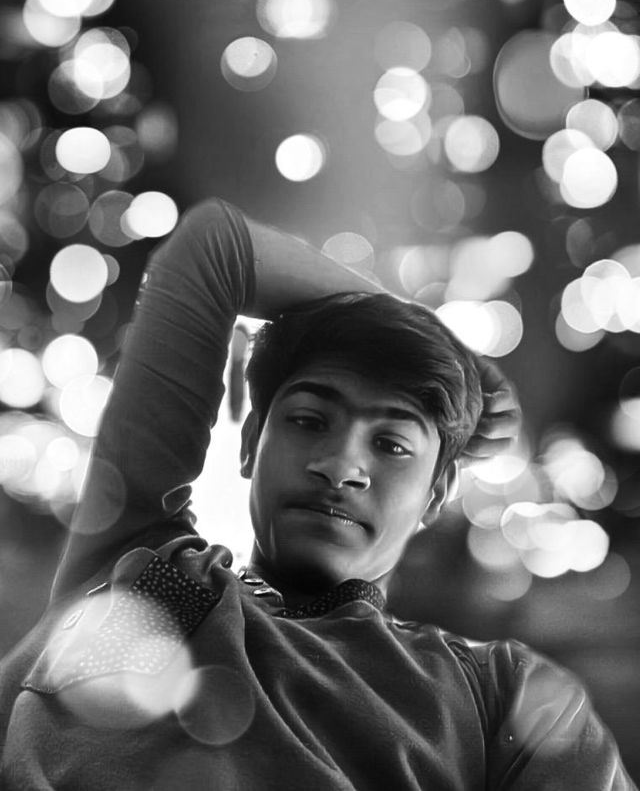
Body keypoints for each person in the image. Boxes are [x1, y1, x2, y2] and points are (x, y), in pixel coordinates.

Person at [0, 198, 635, 790]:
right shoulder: (140, 565)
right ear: (251, 442)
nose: (340, 466)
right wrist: (447, 344)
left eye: (391, 445)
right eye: (309, 420)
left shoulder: (498, 694)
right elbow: (214, 249)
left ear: (437, 491)